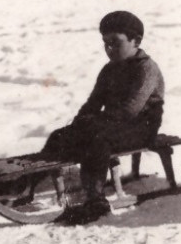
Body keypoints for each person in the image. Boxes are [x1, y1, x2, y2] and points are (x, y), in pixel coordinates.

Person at [42, 11, 165, 219]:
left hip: (140, 128)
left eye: (115, 42)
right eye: (105, 43)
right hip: (112, 126)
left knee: (97, 141)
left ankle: (96, 199)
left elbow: (130, 109)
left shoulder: (146, 69)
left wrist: (95, 122)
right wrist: (81, 121)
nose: (109, 48)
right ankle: (24, 182)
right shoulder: (109, 69)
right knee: (59, 136)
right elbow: (93, 103)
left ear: (136, 41)